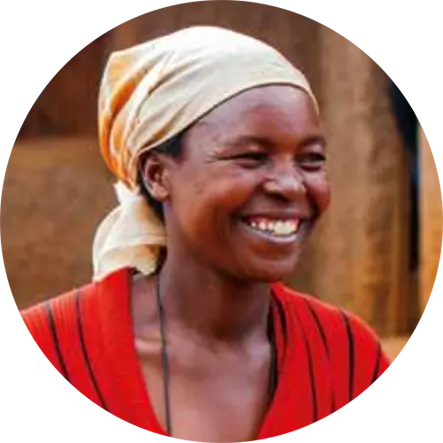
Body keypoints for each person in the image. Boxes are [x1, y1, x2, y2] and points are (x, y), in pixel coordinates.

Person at [19, 26, 391, 443]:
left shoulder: (348, 360)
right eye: (251, 157)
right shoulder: (45, 354)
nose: (291, 185)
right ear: (157, 175)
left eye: (311, 160)